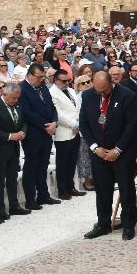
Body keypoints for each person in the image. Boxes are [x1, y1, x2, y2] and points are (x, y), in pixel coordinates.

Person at [78, 69, 137, 240]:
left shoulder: (127, 96)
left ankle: (128, 224)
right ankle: (103, 223)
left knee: (126, 189)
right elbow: (84, 124)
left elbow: (132, 125)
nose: (101, 93)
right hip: (99, 152)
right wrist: (95, 147)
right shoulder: (88, 96)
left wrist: (118, 149)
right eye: (98, 90)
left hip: (123, 151)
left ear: (111, 82)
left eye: (105, 90)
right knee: (102, 190)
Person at [19, 62, 59, 208]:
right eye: (39, 77)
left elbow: (52, 107)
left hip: (47, 132)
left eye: (43, 77)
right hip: (33, 134)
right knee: (31, 166)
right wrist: (45, 126)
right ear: (30, 75)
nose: (42, 79)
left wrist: (54, 122)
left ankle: (43, 194)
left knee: (43, 165)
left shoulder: (43, 87)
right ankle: (30, 199)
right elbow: (27, 113)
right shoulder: (23, 89)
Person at [0, 83, 28, 219]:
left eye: (17, 98)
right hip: (1, 148)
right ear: (4, 94)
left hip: (14, 147)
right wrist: (10, 136)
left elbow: (24, 121)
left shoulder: (17, 105)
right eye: (13, 98)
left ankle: (14, 205)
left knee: (12, 177)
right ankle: (0, 209)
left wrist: (23, 132)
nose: (16, 100)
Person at [49, 68, 82, 200]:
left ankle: (70, 186)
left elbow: (77, 109)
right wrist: (74, 124)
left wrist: (79, 123)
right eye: (63, 81)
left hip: (76, 130)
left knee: (72, 161)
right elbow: (58, 114)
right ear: (55, 80)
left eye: (68, 80)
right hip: (63, 131)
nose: (67, 83)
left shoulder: (71, 91)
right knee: (62, 162)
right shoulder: (52, 93)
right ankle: (62, 190)